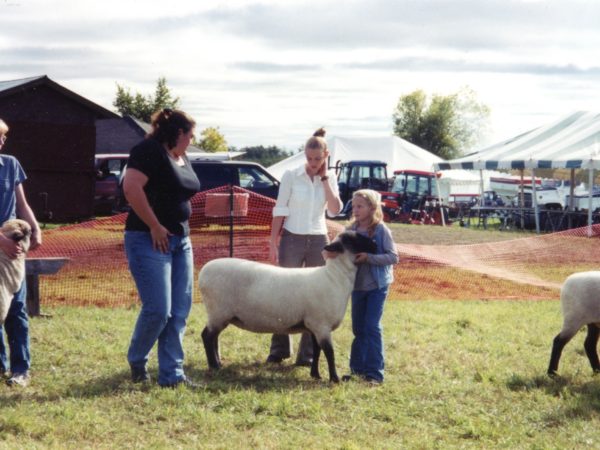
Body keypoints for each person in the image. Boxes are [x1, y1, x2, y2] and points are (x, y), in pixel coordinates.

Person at [123, 108, 200, 388]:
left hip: (181, 240)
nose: (192, 140)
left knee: (179, 311)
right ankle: (137, 359)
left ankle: (172, 374)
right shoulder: (148, 150)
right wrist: (155, 225)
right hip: (148, 238)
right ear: (178, 133)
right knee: (159, 309)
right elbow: (132, 188)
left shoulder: (181, 157)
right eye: (191, 135)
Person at [267, 127, 343, 366]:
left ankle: (307, 355)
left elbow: (335, 209)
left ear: (326, 156)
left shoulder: (329, 178)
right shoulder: (291, 175)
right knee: (283, 294)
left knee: (315, 299)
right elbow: (280, 209)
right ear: (304, 155)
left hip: (319, 239)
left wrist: (325, 178)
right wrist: (273, 241)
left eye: (318, 159)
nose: (312, 163)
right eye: (309, 158)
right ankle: (279, 350)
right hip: (292, 238)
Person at [0, 118, 42, 387]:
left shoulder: (11, 164)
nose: (3, 141)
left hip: (12, 250)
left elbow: (22, 203)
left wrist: (36, 229)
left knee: (16, 310)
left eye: (4, 136)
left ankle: (20, 369)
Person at [341, 189, 398, 384]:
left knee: (372, 327)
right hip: (357, 287)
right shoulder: (350, 229)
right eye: (353, 206)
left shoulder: (381, 230)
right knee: (358, 328)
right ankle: (356, 370)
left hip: (377, 286)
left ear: (372, 208)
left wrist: (370, 258)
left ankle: (375, 374)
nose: (355, 210)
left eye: (360, 206)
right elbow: (339, 247)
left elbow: (393, 257)